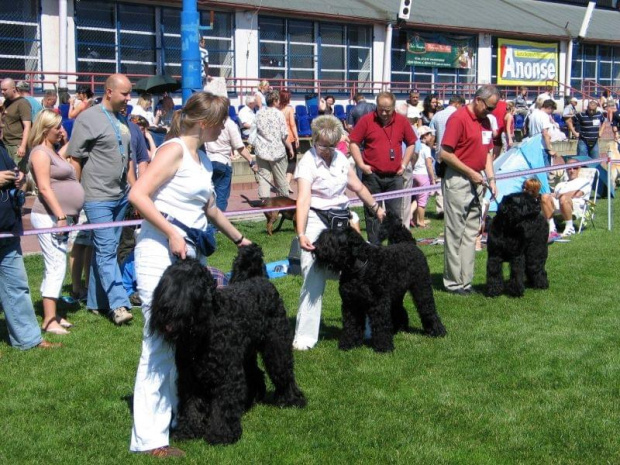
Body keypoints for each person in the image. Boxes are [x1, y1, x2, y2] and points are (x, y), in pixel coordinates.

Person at [128, 91, 252, 457]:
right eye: (221, 122)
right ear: (204, 123)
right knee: (159, 342)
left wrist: (239, 238)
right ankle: (150, 438)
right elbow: (138, 194)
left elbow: (209, 208)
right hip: (159, 252)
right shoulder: (173, 150)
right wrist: (169, 231)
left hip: (188, 254)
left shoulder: (202, 157)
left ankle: (182, 415)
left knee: (188, 343)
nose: (225, 128)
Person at [293, 115, 386, 351]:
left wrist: (376, 208)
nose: (327, 150)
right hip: (316, 221)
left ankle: (366, 328)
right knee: (313, 276)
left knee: (363, 272)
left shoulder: (342, 160)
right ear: (314, 140)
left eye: (332, 145)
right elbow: (303, 199)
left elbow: (358, 187)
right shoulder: (307, 163)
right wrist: (301, 233)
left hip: (342, 221)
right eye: (323, 145)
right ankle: (305, 337)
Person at [67, 74, 134, 325]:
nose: (128, 98)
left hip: (119, 196)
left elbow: (126, 158)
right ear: (108, 92)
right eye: (125, 94)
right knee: (106, 250)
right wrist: (75, 196)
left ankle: (96, 302)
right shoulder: (87, 118)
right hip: (96, 196)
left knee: (104, 251)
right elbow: (75, 159)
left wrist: (133, 191)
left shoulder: (121, 119)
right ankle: (119, 304)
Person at [28, 109, 85, 335]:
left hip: (59, 217)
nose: (62, 131)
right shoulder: (40, 153)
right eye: (57, 128)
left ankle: (52, 313)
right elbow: (44, 187)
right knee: (55, 265)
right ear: (45, 130)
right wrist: (60, 216)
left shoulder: (54, 152)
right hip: (49, 216)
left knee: (56, 264)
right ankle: (49, 320)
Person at [439, 85, 498, 295]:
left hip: (478, 182)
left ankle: (466, 281)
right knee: (455, 232)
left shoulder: (486, 122)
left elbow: (488, 153)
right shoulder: (458, 118)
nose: (490, 112)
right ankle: (453, 282)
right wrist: (471, 173)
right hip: (458, 179)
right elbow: (445, 153)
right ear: (478, 100)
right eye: (489, 107)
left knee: (471, 233)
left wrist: (491, 178)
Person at [0, 143, 60, 349]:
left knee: (17, 286)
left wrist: (21, 180)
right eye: (1, 110)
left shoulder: (1, 146)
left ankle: (28, 340)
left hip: (7, 230)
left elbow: (18, 178)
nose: (4, 115)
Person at [349, 91, 417, 244]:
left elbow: (412, 143)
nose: (384, 113)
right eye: (381, 109)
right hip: (372, 176)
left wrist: (404, 164)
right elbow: (353, 142)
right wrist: (361, 164)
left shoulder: (402, 121)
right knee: (372, 214)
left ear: (394, 107)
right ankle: (375, 249)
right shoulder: (366, 120)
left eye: (388, 109)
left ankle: (395, 250)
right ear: (376, 106)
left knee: (394, 216)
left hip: (395, 177)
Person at [205, 114, 258, 211]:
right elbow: (239, 146)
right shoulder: (229, 124)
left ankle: (209, 222)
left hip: (207, 162)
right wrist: (251, 161)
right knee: (221, 197)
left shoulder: (206, 121)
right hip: (223, 162)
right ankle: (216, 224)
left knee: (207, 196)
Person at [253, 90, 295, 200]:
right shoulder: (279, 114)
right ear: (275, 101)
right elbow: (284, 135)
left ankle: (265, 203)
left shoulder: (259, 113)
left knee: (264, 178)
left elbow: (254, 130)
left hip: (261, 150)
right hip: (277, 152)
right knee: (280, 179)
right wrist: (290, 148)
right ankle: (283, 203)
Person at [545, 166, 592, 237]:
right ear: (566, 170)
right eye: (569, 168)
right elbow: (553, 196)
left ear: (579, 169)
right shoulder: (560, 184)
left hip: (576, 206)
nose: (572, 170)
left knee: (564, 198)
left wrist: (558, 195)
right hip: (558, 205)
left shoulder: (584, 181)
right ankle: (552, 229)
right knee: (545, 197)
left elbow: (577, 194)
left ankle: (570, 228)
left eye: (575, 168)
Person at [1, 78, 32, 173]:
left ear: (13, 89)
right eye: (1, 90)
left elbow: (27, 126)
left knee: (18, 174)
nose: (2, 92)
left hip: (16, 145)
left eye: (5, 90)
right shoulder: (6, 102)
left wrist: (23, 146)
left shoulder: (22, 103)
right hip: (5, 144)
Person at [410, 125, 437, 228]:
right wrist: (432, 179)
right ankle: (421, 222)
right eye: (430, 134)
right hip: (423, 175)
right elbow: (429, 165)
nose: (432, 136)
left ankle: (413, 218)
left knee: (416, 199)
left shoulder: (415, 147)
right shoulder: (426, 148)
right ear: (425, 136)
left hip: (414, 174)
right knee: (422, 200)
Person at [528, 99, 561, 163]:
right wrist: (550, 149)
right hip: (542, 147)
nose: (551, 113)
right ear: (549, 108)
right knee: (545, 170)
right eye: (552, 111)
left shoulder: (533, 114)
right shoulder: (544, 116)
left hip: (533, 145)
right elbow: (545, 133)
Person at [278, 89, 299, 185]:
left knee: (280, 160)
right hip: (289, 136)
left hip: (278, 137)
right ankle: (287, 182)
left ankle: (282, 182)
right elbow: (292, 124)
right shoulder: (289, 109)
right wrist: (297, 137)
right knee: (292, 159)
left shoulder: (276, 109)